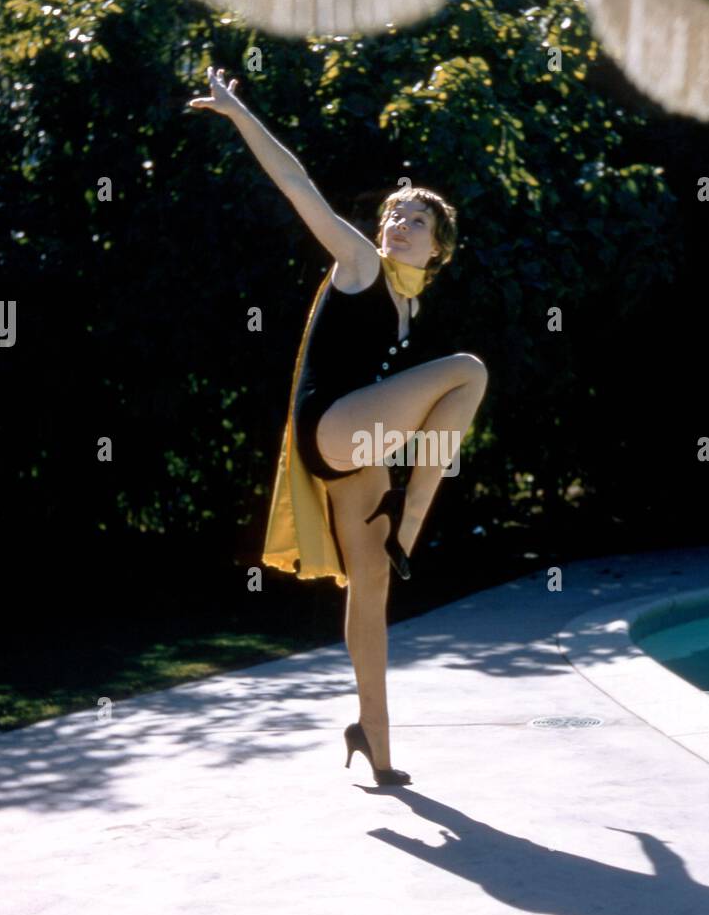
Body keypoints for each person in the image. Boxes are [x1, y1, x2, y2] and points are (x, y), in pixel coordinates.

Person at [189, 67, 488, 785]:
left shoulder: (411, 308)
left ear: (439, 248)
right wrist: (237, 112)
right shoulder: (359, 264)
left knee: (372, 591)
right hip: (332, 429)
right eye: (394, 214)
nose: (399, 224)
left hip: (362, 450)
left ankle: (375, 744)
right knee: (470, 371)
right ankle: (410, 526)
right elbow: (297, 186)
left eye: (417, 220)